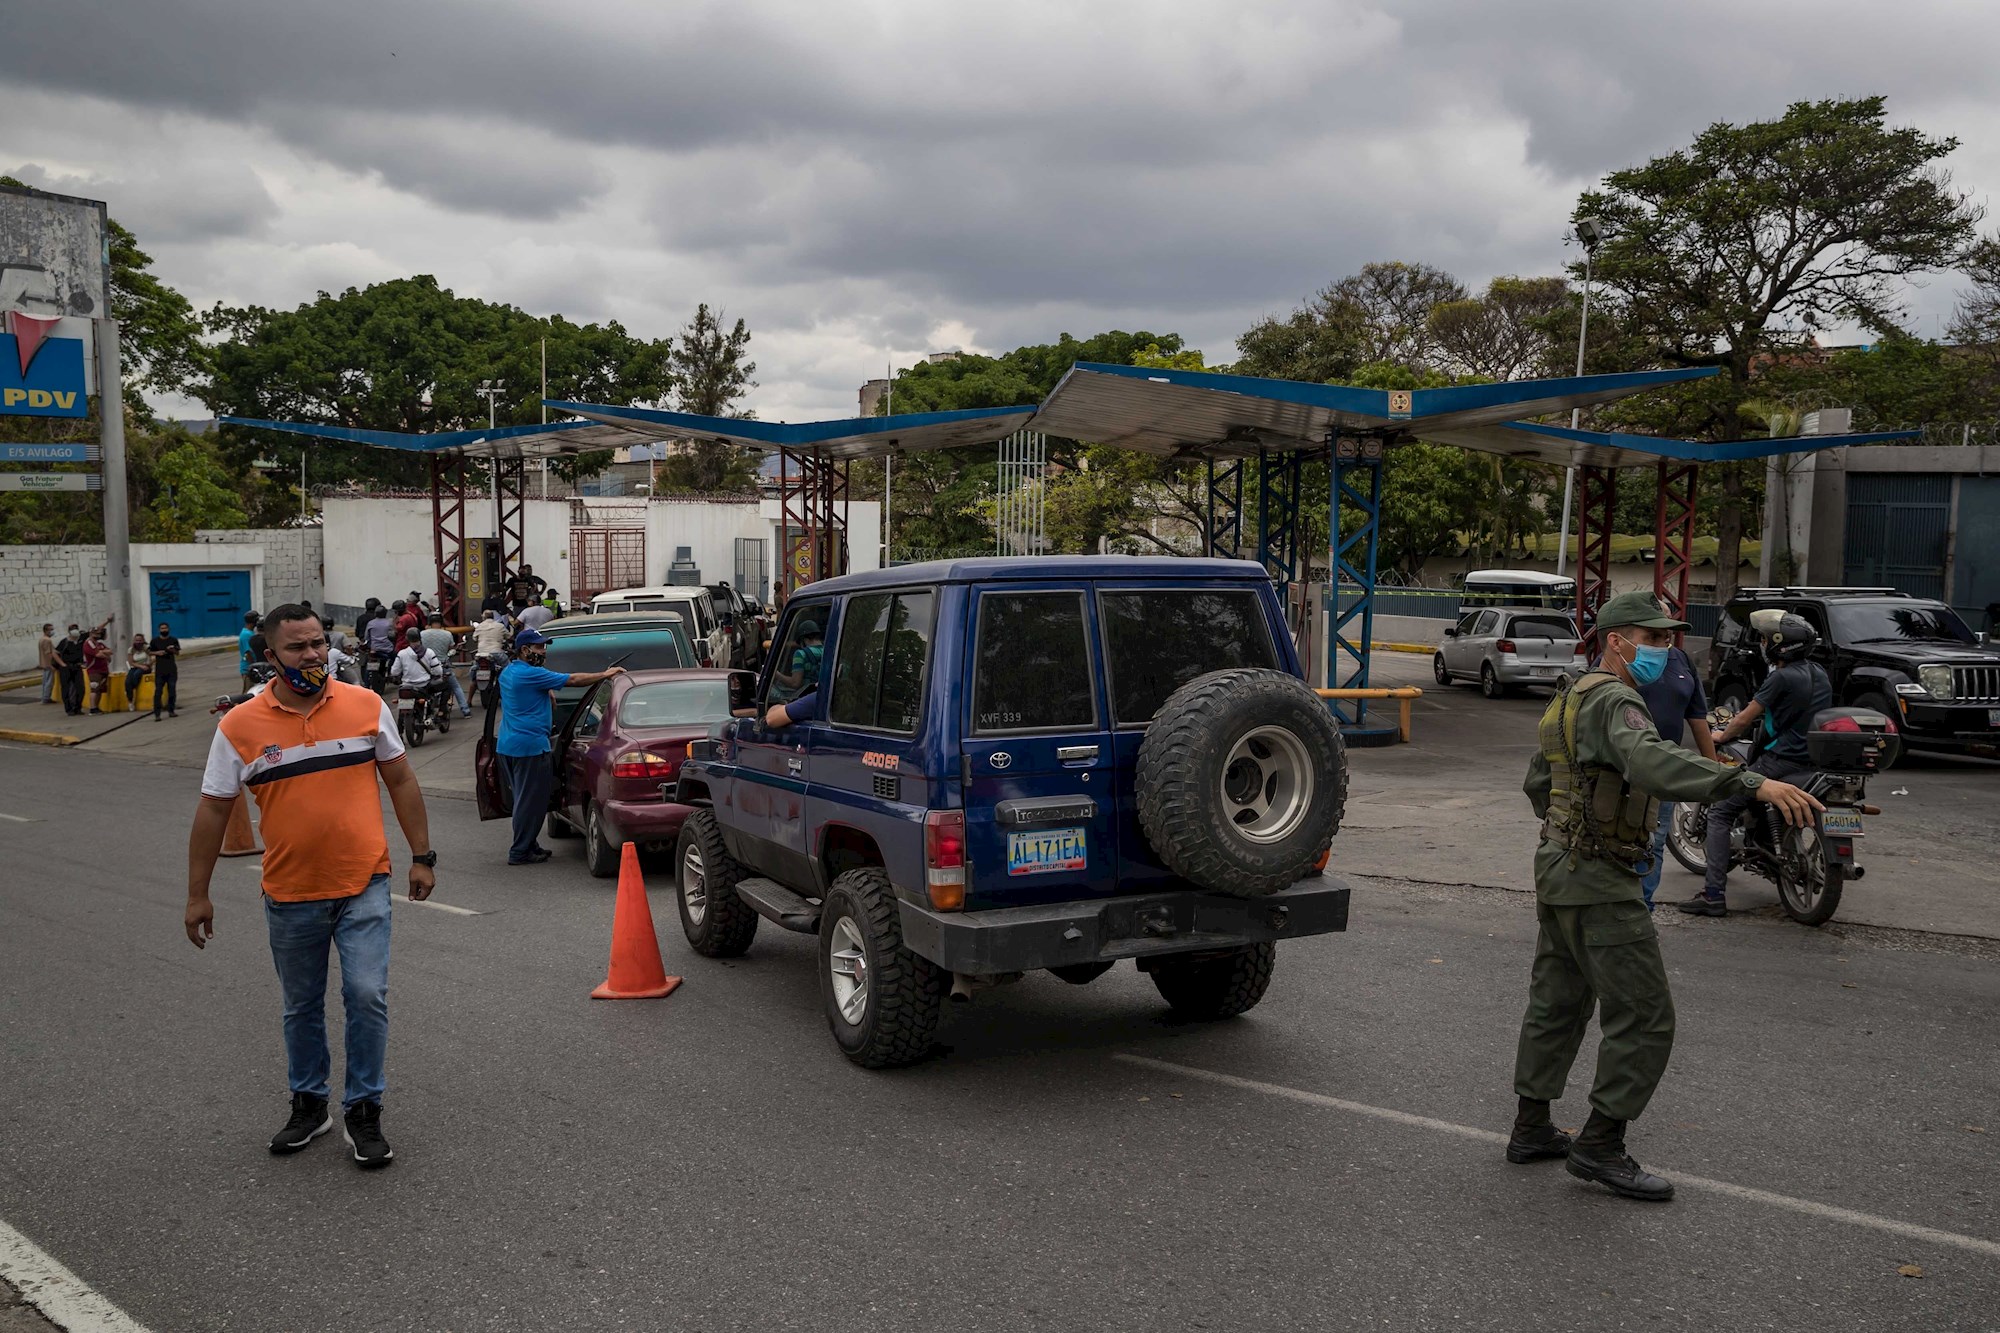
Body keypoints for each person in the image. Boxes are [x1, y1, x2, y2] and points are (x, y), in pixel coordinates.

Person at [1511, 591, 1822, 1203]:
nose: (1664, 649)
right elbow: (1653, 763)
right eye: (1652, 640)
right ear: (1618, 641)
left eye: (1666, 639)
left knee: (1558, 1002)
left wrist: (1571, 828)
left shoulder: (1567, 698)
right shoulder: (1616, 699)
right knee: (1646, 1014)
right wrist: (1749, 781)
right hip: (1601, 880)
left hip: (1560, 871)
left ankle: (1531, 1126)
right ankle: (1599, 1146)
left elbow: (1538, 783)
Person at [185, 604, 435, 1169]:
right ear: (269, 656)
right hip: (290, 893)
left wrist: (422, 856)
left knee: (367, 996)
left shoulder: (365, 705)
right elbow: (212, 811)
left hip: (364, 883)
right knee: (301, 1006)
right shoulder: (239, 726)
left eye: (319, 643)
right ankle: (309, 1104)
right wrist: (198, 892)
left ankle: (364, 1110)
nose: (313, 656)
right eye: (297, 648)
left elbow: (400, 778)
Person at [1685, 612, 1832, 918]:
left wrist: (1720, 735)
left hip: (1778, 762)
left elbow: (1746, 717)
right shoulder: (1819, 673)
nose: (1763, 644)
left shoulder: (1779, 677)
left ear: (1781, 645)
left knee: (1722, 810)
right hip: (1813, 764)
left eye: (1766, 639)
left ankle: (1713, 895)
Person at [495, 628, 624, 865]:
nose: (544, 651)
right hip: (530, 748)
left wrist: (547, 691)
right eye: (539, 647)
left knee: (524, 800)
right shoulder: (531, 675)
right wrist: (606, 674)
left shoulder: (510, 672)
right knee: (530, 802)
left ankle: (528, 844)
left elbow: (534, 689)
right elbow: (573, 680)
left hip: (508, 746)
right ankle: (520, 851)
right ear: (525, 650)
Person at [1633, 640, 1716, 910]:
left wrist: (1714, 769)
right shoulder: (1621, 657)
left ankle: (1642, 911)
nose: (1661, 635)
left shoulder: (1681, 659)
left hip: (1664, 772)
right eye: (1652, 631)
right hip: (1626, 770)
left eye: (1665, 628)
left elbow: (1697, 717)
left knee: (1653, 843)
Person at [420, 613, 471, 718]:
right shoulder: (447, 634)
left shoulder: (422, 634)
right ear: (441, 622)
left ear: (429, 622)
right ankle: (465, 710)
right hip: (443, 665)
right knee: (455, 686)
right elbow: (452, 648)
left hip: (426, 667)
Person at [772, 620, 823, 698]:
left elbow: (795, 683)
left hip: (807, 697)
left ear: (804, 639)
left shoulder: (800, 654)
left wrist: (777, 675)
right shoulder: (829, 651)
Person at [148, 623, 182, 718]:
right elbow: (149, 652)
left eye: (165, 628)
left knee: (172, 691)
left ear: (168, 629)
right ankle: (157, 714)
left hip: (171, 669)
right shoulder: (155, 641)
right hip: (160, 670)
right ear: (159, 630)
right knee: (158, 692)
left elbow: (177, 652)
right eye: (162, 628)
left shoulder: (173, 640)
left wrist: (172, 650)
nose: (164, 630)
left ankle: (171, 710)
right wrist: (157, 653)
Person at [364, 604, 398, 693]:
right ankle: (392, 673)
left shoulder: (370, 623)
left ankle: (366, 684)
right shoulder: (389, 623)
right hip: (387, 649)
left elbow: (366, 637)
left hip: (374, 649)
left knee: (368, 666)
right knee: (396, 658)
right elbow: (394, 635)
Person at [54, 623, 87, 715]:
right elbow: (54, 653)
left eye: (76, 629)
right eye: (73, 629)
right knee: (66, 688)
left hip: (77, 666)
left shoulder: (81, 639)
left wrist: (107, 621)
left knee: (80, 688)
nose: (75, 631)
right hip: (66, 667)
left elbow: (95, 630)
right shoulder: (64, 642)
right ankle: (69, 709)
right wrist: (62, 664)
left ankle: (77, 707)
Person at [83, 626, 112, 713]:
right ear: (91, 633)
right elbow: (98, 654)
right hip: (94, 670)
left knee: (100, 689)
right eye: (95, 633)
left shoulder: (99, 644)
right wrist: (103, 653)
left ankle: (97, 707)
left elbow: (110, 651)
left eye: (98, 633)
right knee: (94, 688)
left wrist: (102, 652)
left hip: (103, 669)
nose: (97, 635)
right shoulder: (88, 643)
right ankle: (92, 708)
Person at [124, 633, 153, 711]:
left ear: (143, 640)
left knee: (137, 674)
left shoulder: (147, 648)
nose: (138, 642)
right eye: (136, 640)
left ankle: (131, 689)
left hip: (146, 667)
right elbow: (131, 662)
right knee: (127, 681)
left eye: (140, 640)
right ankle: (130, 701)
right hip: (136, 666)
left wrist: (148, 665)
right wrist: (140, 666)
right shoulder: (131, 649)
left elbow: (153, 657)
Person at [239, 612, 263, 692]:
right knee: (249, 693)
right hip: (248, 669)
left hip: (250, 668)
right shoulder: (246, 635)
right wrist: (254, 667)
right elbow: (248, 653)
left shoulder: (249, 633)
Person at [36, 623, 59, 705]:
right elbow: (49, 653)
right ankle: (46, 697)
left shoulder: (42, 639)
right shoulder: (47, 640)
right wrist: (51, 665)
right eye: (51, 629)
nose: (52, 631)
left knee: (46, 680)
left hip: (44, 663)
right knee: (49, 681)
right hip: (48, 664)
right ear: (46, 630)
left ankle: (45, 697)